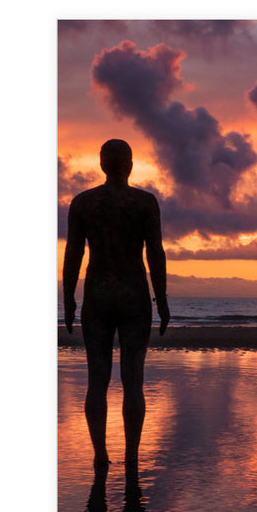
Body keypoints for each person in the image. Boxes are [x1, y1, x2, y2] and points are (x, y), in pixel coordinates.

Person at [63, 139, 169, 470]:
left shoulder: (83, 203)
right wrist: (162, 299)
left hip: (97, 296)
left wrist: (68, 298)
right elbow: (155, 253)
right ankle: (132, 455)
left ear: (101, 164)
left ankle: (100, 454)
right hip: (134, 295)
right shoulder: (144, 202)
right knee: (132, 379)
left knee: (98, 379)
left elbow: (74, 255)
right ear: (131, 164)